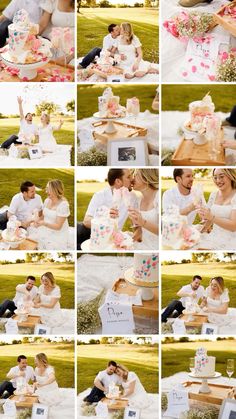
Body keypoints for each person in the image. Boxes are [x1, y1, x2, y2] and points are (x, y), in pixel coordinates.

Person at [77, 169, 133, 249]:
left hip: (109, 241)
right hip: (86, 234)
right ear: (118, 181)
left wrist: (123, 233)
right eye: (128, 177)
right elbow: (86, 221)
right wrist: (105, 216)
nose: (132, 179)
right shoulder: (100, 195)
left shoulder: (131, 197)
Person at [197, 169, 236, 250]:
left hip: (232, 240)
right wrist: (202, 230)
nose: (218, 180)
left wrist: (211, 217)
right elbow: (208, 218)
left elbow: (233, 226)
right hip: (214, 236)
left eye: (221, 176)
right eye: (215, 177)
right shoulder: (214, 194)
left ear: (230, 176)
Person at [28, 179, 71, 250]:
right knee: (31, 241)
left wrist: (44, 223)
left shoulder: (63, 205)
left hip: (57, 233)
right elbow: (42, 217)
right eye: (46, 189)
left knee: (45, 246)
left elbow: (58, 226)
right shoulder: (47, 200)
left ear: (55, 190)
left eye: (48, 189)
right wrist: (37, 221)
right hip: (45, 227)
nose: (46, 191)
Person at [129, 169, 159, 250]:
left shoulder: (158, 197)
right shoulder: (137, 199)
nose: (132, 179)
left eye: (135, 175)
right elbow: (139, 232)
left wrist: (142, 222)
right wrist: (128, 241)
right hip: (141, 247)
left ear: (146, 178)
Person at [38, 0, 75, 65]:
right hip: (57, 47)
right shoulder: (52, 2)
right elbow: (42, 25)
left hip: (74, 50)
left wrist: (71, 56)